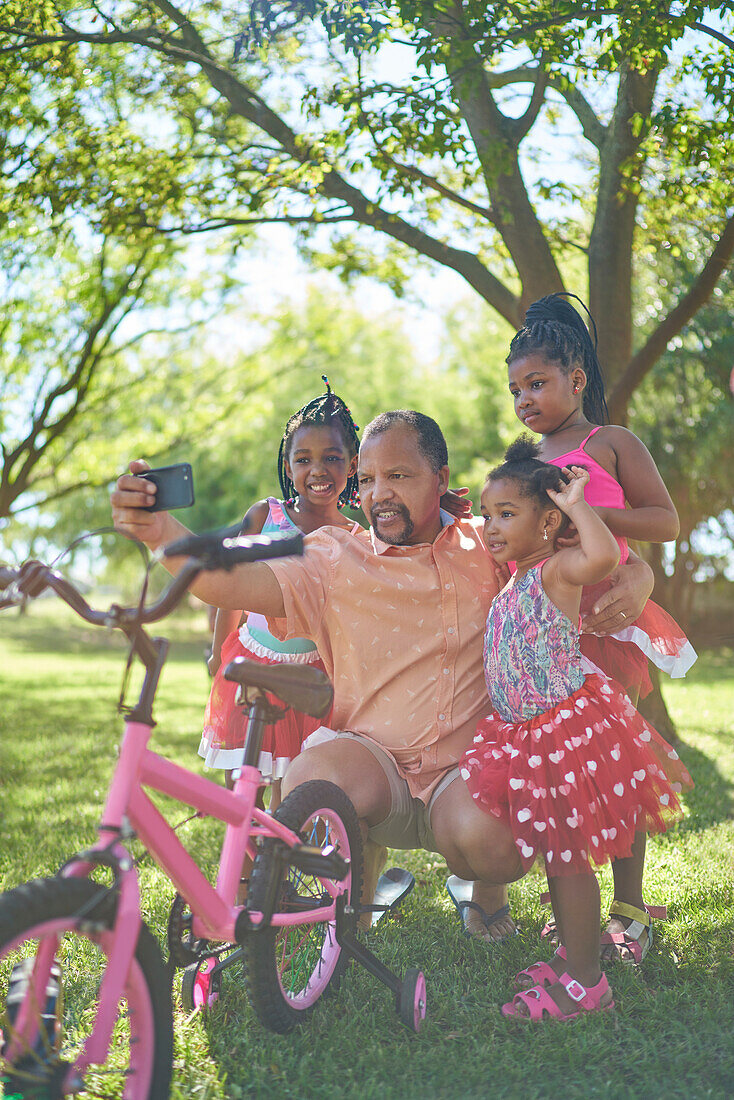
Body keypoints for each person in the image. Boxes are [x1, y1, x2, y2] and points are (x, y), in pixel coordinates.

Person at [110, 410, 655, 940]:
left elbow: (572, 552)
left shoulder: (488, 542)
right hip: (373, 767)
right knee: (308, 780)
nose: (378, 494)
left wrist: (642, 574)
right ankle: (342, 916)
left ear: (439, 479)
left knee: (499, 850)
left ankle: (485, 890)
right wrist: (160, 532)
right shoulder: (330, 554)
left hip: (463, 779)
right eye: (367, 479)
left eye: (398, 476)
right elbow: (230, 582)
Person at [461, 438, 692, 1020]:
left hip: (564, 731)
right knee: (556, 854)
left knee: (568, 858)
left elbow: (604, 559)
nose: (491, 526)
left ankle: (586, 984)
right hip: (528, 736)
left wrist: (579, 504)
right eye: (487, 515)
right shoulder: (514, 579)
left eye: (506, 515)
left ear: (547, 525)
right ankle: (572, 956)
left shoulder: (556, 571)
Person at [505, 292, 696, 963]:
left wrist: (588, 516)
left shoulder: (609, 443)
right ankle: (577, 910)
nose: (526, 399)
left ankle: (629, 908)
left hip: (609, 623)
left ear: (576, 380)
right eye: (516, 389)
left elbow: (665, 523)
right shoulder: (525, 458)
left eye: (538, 383)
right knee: (569, 771)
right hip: (550, 633)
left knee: (615, 764)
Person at [200, 378, 362, 801]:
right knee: (241, 780)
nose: (318, 470)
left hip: (311, 675)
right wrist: (219, 652)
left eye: (332, 457)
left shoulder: (357, 537)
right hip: (252, 660)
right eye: (304, 459)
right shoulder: (265, 516)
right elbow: (231, 592)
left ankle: (276, 864)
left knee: (293, 782)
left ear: (353, 463)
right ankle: (245, 863)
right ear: (289, 467)